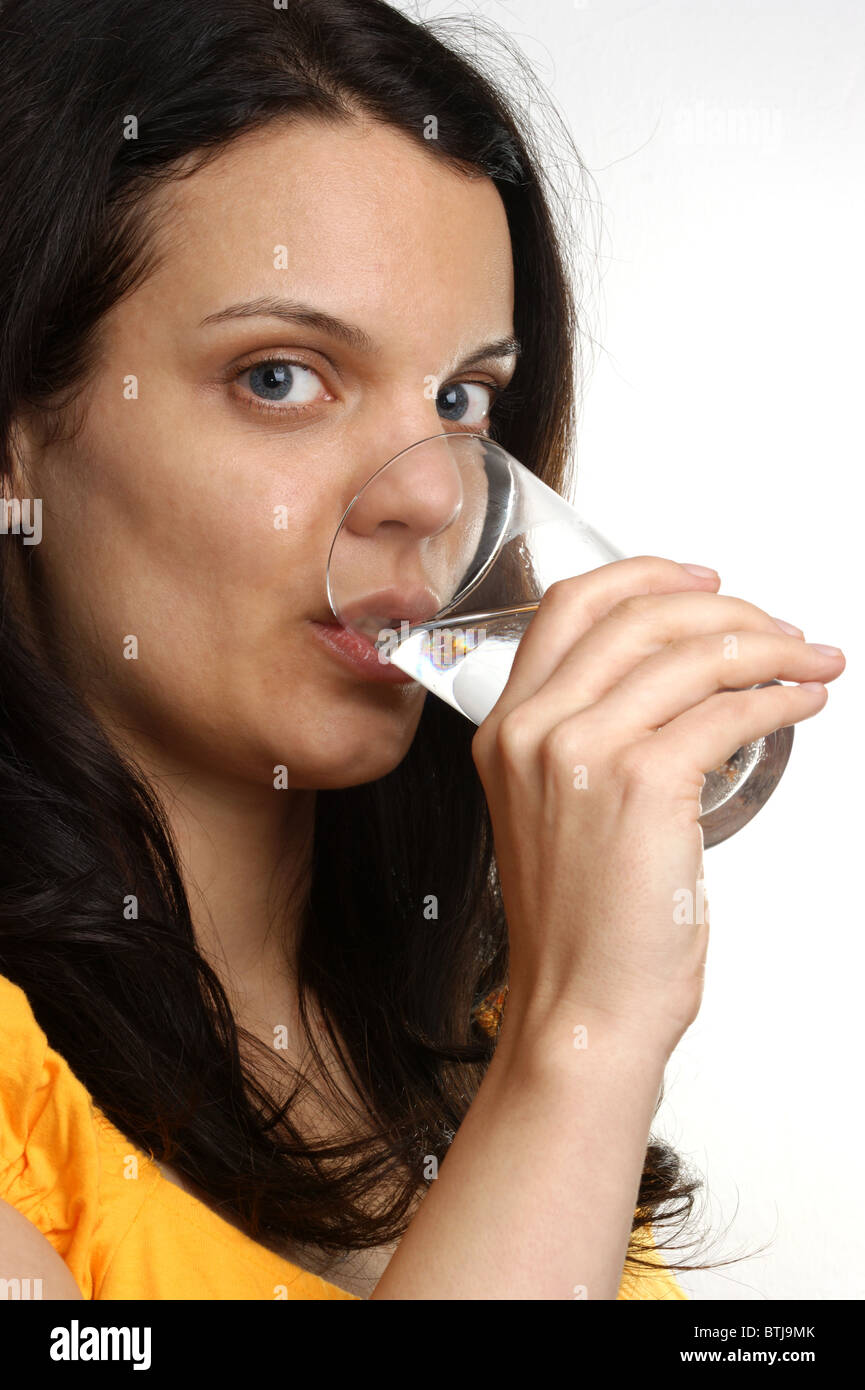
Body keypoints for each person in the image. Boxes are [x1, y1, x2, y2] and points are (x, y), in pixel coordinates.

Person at [0, 0, 844, 1301]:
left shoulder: (472, 1037)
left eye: (460, 400)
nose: (434, 496)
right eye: (281, 376)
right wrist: (584, 1046)